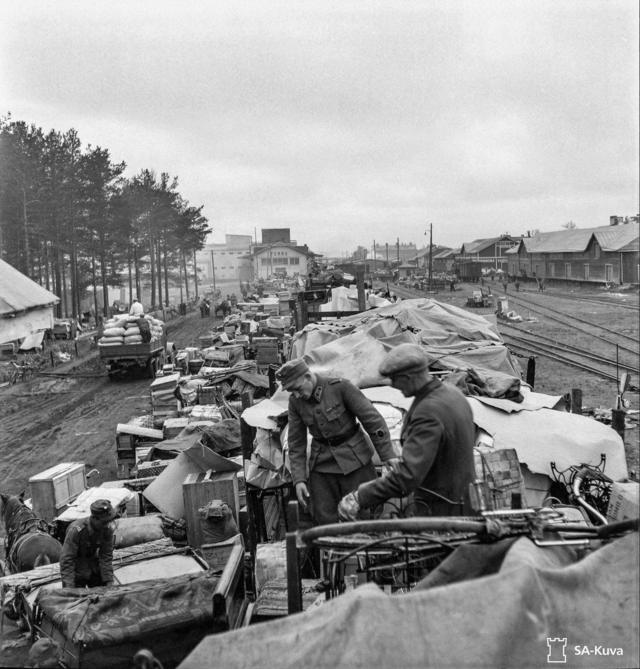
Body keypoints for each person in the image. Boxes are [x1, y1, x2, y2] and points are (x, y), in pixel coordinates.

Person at [338, 343, 476, 521]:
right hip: (465, 504)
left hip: (442, 514)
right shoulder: (454, 395)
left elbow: (408, 476)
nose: (393, 386)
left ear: (409, 377)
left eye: (395, 379)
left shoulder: (428, 412)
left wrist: (360, 496)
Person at [277, 358, 397, 525]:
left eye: (297, 389)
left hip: (355, 460)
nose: (297, 395)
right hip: (322, 464)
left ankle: (366, 548)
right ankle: (333, 550)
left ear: (307, 377)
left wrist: (387, 455)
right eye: (292, 391)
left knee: (364, 513)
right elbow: (296, 443)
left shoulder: (341, 388)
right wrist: (299, 480)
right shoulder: (295, 402)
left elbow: (372, 420)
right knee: (323, 516)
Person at [59, 499, 116, 588]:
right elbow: (67, 559)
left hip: (94, 568)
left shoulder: (106, 529)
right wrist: (69, 587)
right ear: (94, 518)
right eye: (104, 522)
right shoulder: (76, 530)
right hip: (76, 570)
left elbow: (106, 556)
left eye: (109, 521)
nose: (107, 525)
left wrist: (109, 581)